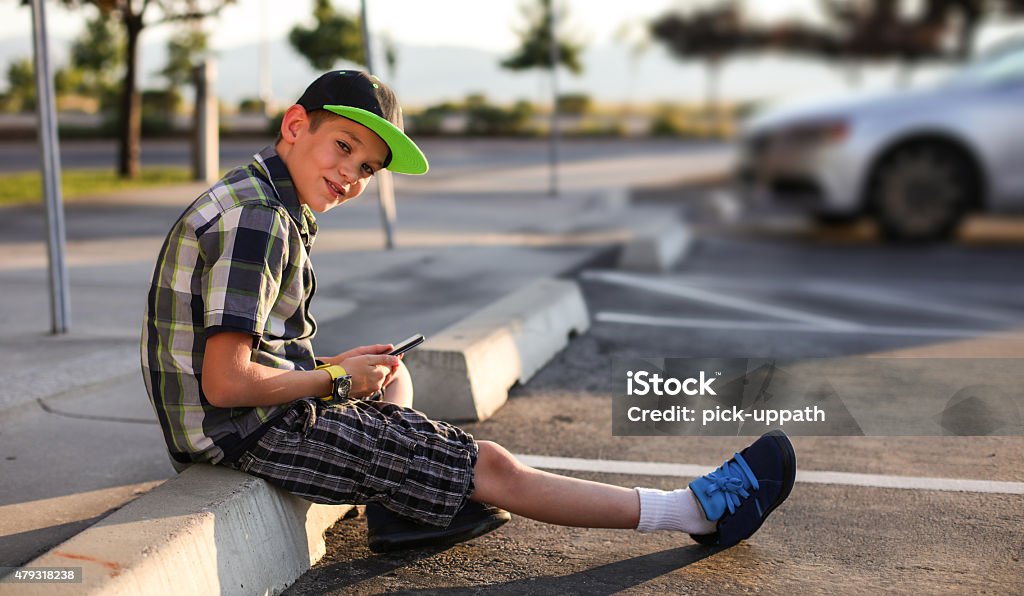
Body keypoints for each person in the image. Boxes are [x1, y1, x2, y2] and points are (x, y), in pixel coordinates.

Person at [141, 70, 797, 554]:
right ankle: (693, 512)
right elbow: (225, 382)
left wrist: (343, 366)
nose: (351, 176)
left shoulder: (261, 196)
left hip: (241, 415)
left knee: (392, 376)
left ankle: (402, 509)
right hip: (243, 430)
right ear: (294, 125)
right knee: (492, 466)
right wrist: (338, 382)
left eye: (367, 168)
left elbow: (249, 354)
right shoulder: (260, 221)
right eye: (343, 147)